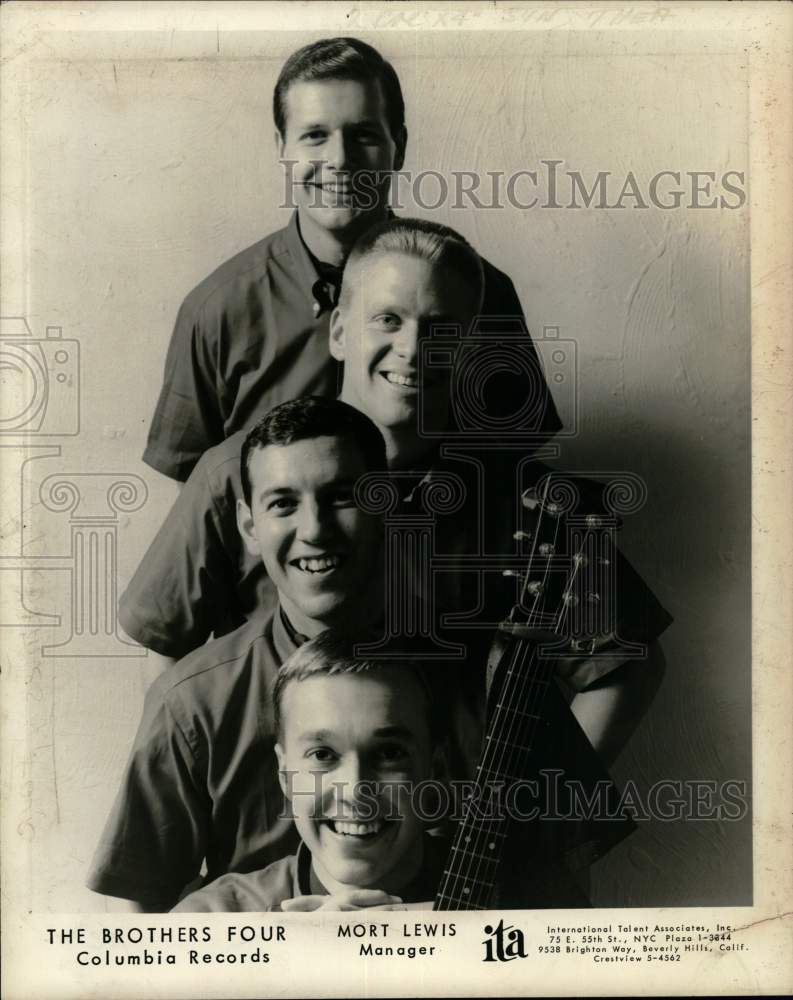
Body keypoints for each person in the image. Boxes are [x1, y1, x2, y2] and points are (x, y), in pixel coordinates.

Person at [120, 218, 671, 766]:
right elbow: (170, 652)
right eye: (387, 320)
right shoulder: (236, 471)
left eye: (442, 328)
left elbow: (628, 665)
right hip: (274, 824)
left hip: (444, 838)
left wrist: (537, 824)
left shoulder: (521, 501)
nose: (412, 349)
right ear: (339, 333)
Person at [142, 36, 560, 484]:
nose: (340, 161)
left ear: (397, 147)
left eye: (363, 135)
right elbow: (199, 492)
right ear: (282, 147)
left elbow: (513, 477)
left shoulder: (481, 289)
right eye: (315, 136)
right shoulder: (217, 310)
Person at [87, 397, 396, 911]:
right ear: (249, 528)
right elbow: (133, 926)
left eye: (341, 497)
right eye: (283, 504)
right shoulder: (190, 705)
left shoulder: (483, 673)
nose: (315, 529)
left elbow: (557, 888)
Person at [172, 631, 451, 912]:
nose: (355, 791)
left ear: (435, 768)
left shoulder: (495, 899)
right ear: (285, 775)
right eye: (322, 755)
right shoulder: (209, 918)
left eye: (390, 753)